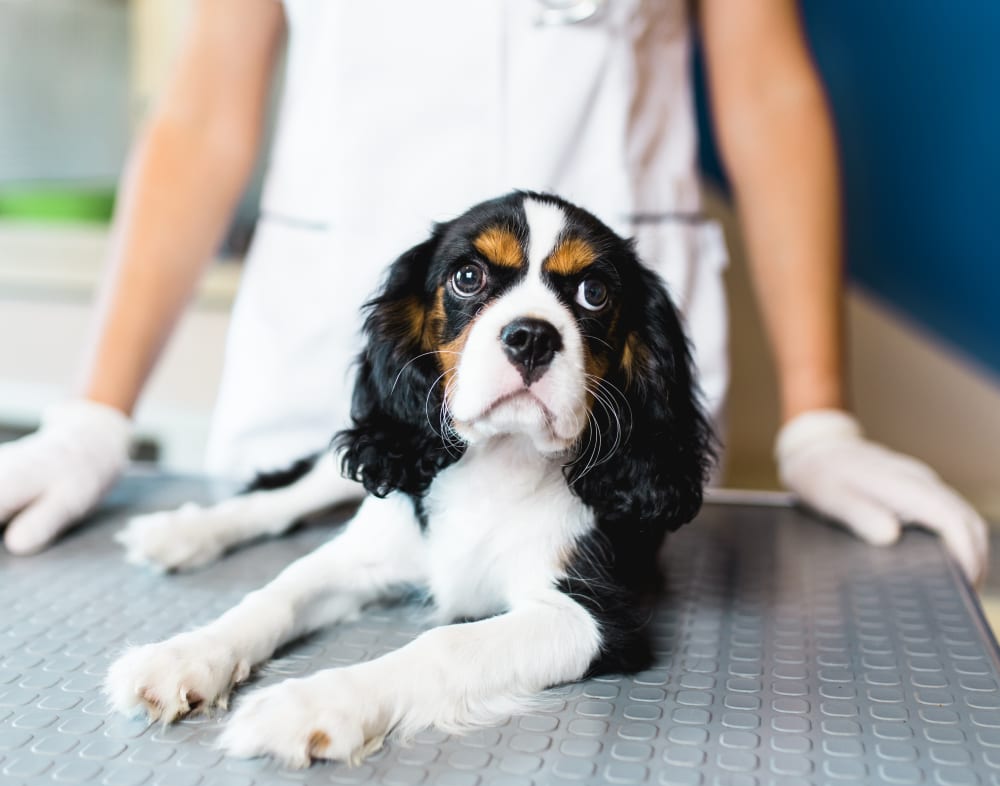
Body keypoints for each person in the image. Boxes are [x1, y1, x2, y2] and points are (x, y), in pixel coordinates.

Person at [0, 0, 987, 582]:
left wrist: (819, 417)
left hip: (599, 399)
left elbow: (765, 91)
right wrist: (96, 413)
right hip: (328, 382)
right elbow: (203, 115)